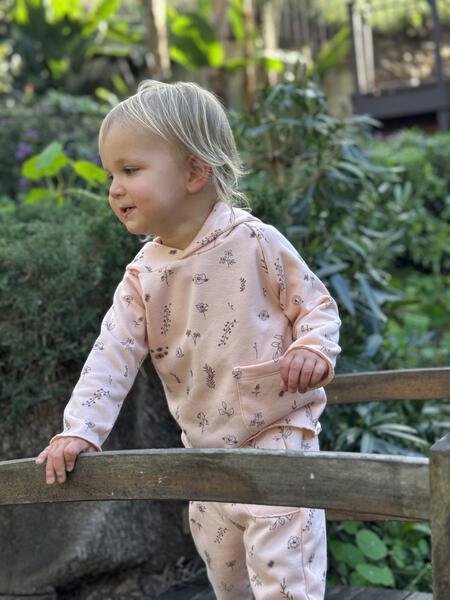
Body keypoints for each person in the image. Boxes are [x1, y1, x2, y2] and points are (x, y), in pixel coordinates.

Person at [35, 80, 341, 600]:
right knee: (229, 586)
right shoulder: (142, 276)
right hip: (203, 460)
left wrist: (312, 349)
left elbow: (316, 306)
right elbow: (110, 356)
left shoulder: (254, 241)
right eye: (112, 174)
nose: (114, 187)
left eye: (130, 171)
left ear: (196, 172)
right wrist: (81, 430)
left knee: (287, 588)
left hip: (278, 442)